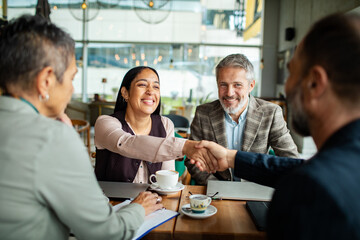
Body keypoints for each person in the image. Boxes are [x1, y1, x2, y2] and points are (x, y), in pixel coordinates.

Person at [191, 13, 360, 240]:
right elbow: (297, 169)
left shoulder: (308, 191)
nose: (286, 87)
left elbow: (299, 170)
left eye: (291, 72)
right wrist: (232, 158)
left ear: (315, 83)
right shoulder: (337, 168)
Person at [0, 15, 164, 240]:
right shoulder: (53, 138)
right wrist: (139, 208)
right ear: (46, 80)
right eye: (71, 78)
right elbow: (107, 233)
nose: (72, 90)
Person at [185, 53, 299, 185]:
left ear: (251, 86)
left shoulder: (271, 113)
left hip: (256, 190)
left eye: (237, 85)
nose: (229, 93)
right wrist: (217, 187)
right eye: (223, 85)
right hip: (216, 191)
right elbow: (192, 159)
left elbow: (291, 160)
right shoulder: (203, 113)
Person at [94, 66, 216, 183]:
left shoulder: (165, 124)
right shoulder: (105, 122)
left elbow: (167, 176)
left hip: (153, 202)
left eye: (156, 87)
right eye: (142, 85)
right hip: (110, 202)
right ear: (125, 93)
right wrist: (185, 146)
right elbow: (126, 143)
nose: (150, 91)